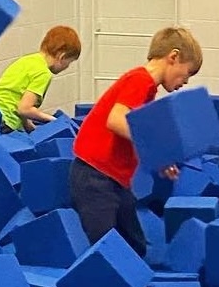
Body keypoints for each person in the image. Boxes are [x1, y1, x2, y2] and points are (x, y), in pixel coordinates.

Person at [69, 26, 203, 257]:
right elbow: (116, 120)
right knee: (106, 253)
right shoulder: (140, 80)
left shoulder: (147, 89)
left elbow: (133, 133)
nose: (186, 82)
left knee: (135, 247)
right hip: (95, 177)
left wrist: (159, 158)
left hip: (114, 181)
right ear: (173, 57)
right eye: (187, 73)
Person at [0, 26, 82, 133]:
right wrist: (55, 120)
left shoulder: (26, 60)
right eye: (69, 62)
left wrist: (29, 127)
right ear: (62, 57)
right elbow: (24, 109)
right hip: (4, 122)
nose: (67, 67)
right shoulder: (43, 73)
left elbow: (17, 100)